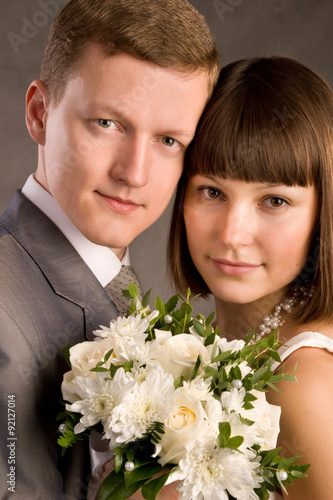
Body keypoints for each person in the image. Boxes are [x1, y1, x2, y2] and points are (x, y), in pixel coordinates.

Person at [0, 0, 220, 498]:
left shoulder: (121, 288)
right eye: (107, 124)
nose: (134, 173)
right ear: (39, 114)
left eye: (168, 140)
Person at [168, 56, 333, 500]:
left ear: (323, 214)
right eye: (212, 191)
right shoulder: (199, 345)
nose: (232, 234)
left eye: (274, 201)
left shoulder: (306, 382)